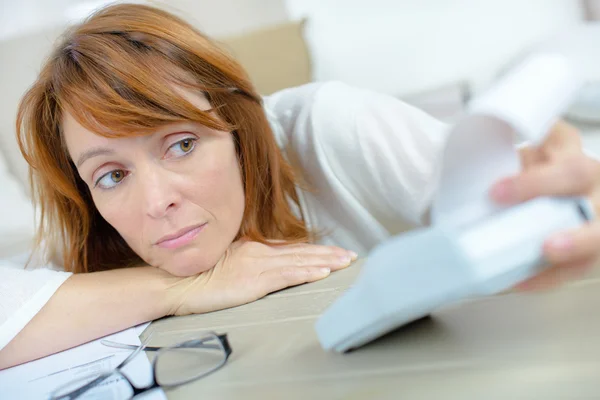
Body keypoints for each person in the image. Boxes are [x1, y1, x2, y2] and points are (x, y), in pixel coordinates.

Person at [1, 3, 600, 370]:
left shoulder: (330, 126)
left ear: (237, 126)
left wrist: (565, 198)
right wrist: (176, 289)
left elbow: (508, 192)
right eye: (112, 176)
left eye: (182, 143)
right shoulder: (85, 253)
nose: (157, 203)